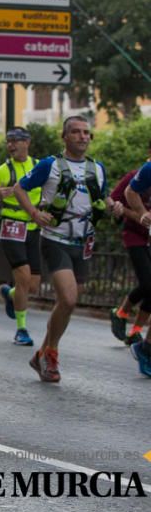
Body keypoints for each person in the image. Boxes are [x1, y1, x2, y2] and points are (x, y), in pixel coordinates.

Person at [14, 115, 118, 383]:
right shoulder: (50, 165)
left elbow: (102, 197)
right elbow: (19, 188)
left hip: (83, 242)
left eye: (86, 133)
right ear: (65, 137)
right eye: (76, 132)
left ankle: (42, 353)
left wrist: (112, 205)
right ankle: (51, 353)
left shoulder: (97, 168)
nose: (83, 137)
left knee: (66, 303)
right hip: (55, 239)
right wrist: (35, 214)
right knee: (69, 299)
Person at [0, 127, 41, 346]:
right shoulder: (2, 171)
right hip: (11, 226)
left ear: (28, 142)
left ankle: (11, 294)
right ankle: (21, 329)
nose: (11, 145)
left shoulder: (38, 167)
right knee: (23, 276)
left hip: (33, 228)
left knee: (33, 285)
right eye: (8, 141)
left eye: (16, 141)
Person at [109, 142, 151, 348]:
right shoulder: (136, 176)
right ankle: (121, 312)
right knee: (148, 284)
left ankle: (135, 331)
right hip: (135, 235)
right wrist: (138, 214)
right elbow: (114, 201)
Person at [120, 149, 151, 377]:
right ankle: (146, 348)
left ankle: (145, 346)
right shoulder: (147, 169)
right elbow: (131, 191)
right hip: (137, 237)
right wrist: (142, 214)